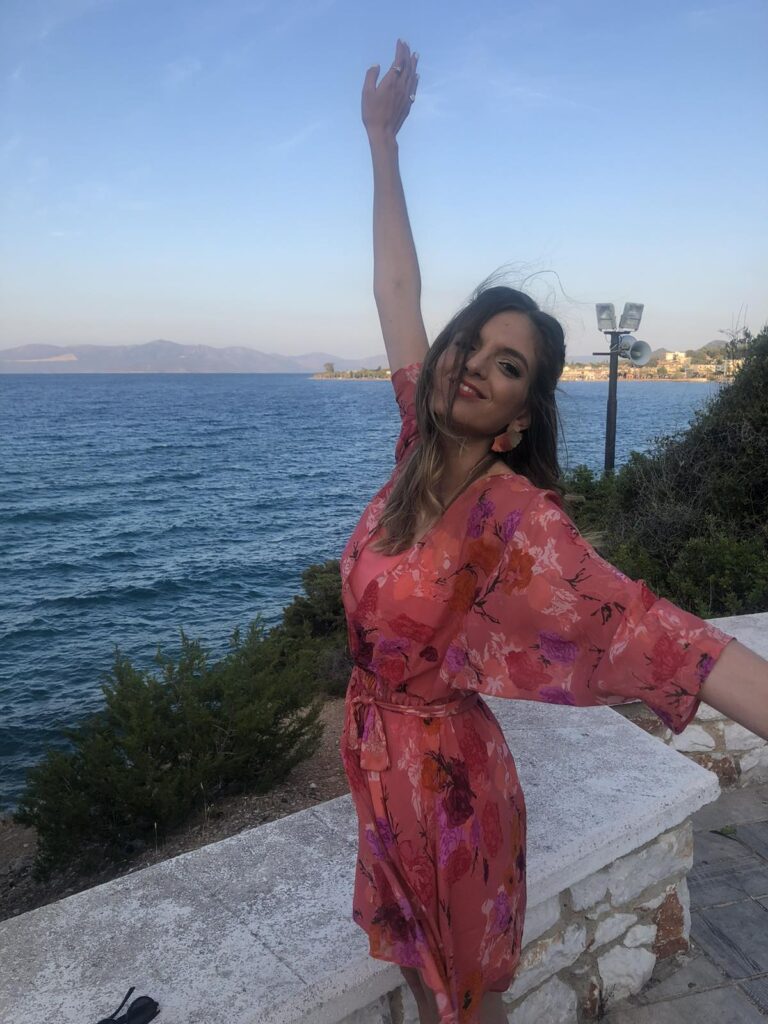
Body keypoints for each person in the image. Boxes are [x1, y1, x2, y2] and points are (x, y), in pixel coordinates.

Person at [338, 39, 768, 1024]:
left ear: (516, 420)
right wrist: (382, 142)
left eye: (509, 366)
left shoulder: (515, 521)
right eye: (471, 343)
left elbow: (661, 633)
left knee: (466, 998)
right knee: (425, 980)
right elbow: (396, 294)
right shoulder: (415, 446)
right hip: (381, 770)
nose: (474, 364)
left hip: (447, 789)